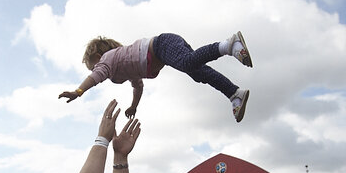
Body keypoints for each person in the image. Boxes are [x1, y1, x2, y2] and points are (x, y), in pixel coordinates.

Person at [59, 32, 252, 122]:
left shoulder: (108, 59)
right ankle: (234, 93)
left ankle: (229, 45)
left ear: (97, 57)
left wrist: (79, 91)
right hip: (165, 48)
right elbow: (137, 86)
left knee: (188, 63)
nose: (96, 69)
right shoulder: (123, 66)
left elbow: (96, 76)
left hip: (162, 45)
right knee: (198, 73)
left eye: (92, 66)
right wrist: (134, 106)